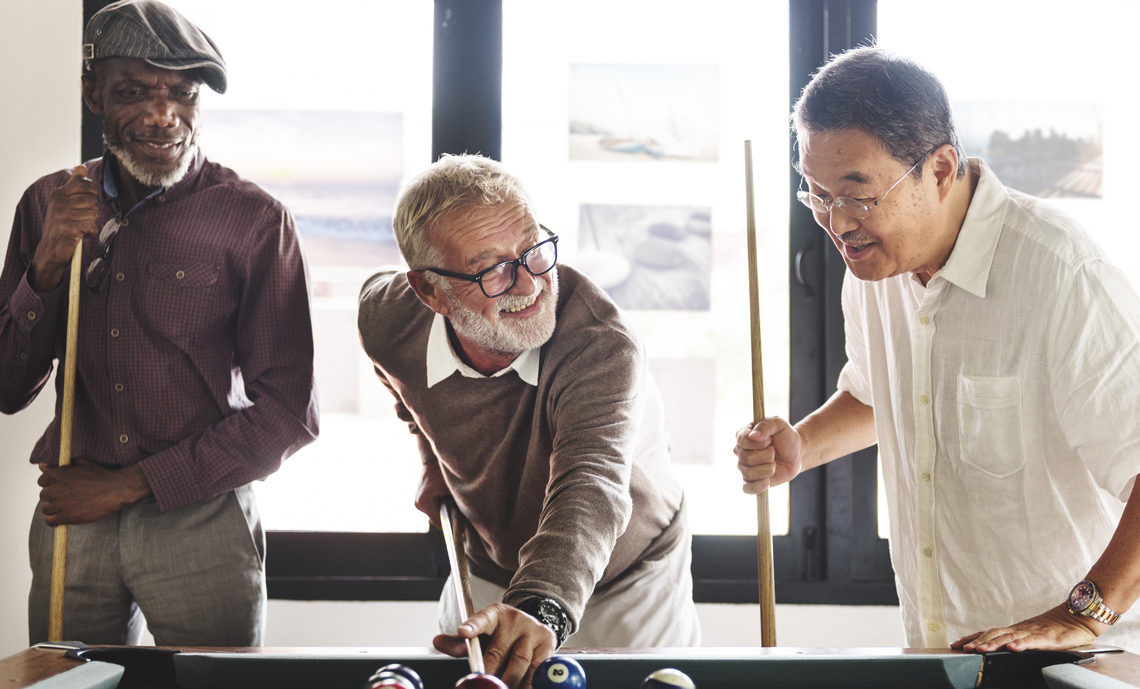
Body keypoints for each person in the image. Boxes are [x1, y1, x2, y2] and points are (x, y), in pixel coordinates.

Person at [735, 45, 1140, 653]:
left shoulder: (1061, 274)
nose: (837, 223)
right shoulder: (871, 265)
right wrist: (802, 446)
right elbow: (880, 395)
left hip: (1075, 659)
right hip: (941, 655)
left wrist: (1084, 614)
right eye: (816, 194)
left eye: (857, 195)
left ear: (942, 169)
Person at [0, 0, 319, 646]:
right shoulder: (47, 204)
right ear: (92, 94)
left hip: (200, 518)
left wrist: (123, 487)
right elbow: (7, 388)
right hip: (73, 517)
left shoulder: (253, 221)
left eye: (182, 92)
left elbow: (289, 413)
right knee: (63, 688)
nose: (161, 113)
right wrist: (45, 270)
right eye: (133, 91)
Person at [357, 153, 700, 687]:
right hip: (492, 565)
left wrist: (542, 607)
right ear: (430, 291)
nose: (528, 284)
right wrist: (430, 458)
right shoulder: (387, 316)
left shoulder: (600, 346)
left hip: (628, 577)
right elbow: (400, 384)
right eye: (490, 268)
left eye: (532, 250)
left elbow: (592, 484)